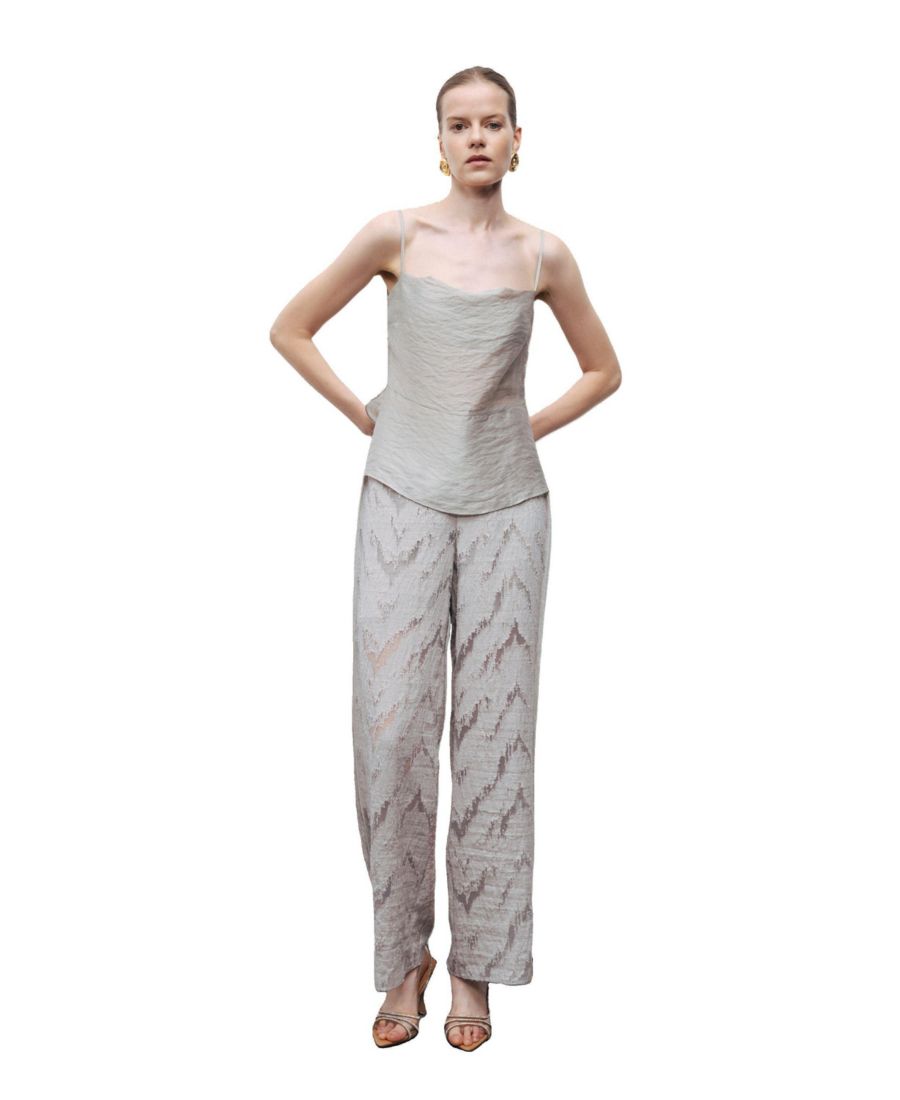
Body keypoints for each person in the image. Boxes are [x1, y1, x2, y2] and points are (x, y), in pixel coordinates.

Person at [269, 65, 621, 1051]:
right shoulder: (396, 235)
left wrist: (523, 427)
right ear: (439, 143)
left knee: (495, 739)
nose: (476, 137)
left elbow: (605, 368)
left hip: (510, 511)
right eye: (459, 124)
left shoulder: (544, 253)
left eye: (492, 123)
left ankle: (476, 967)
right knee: (391, 730)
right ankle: (402, 956)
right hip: (402, 499)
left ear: (517, 140)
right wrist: (364, 411)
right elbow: (290, 328)